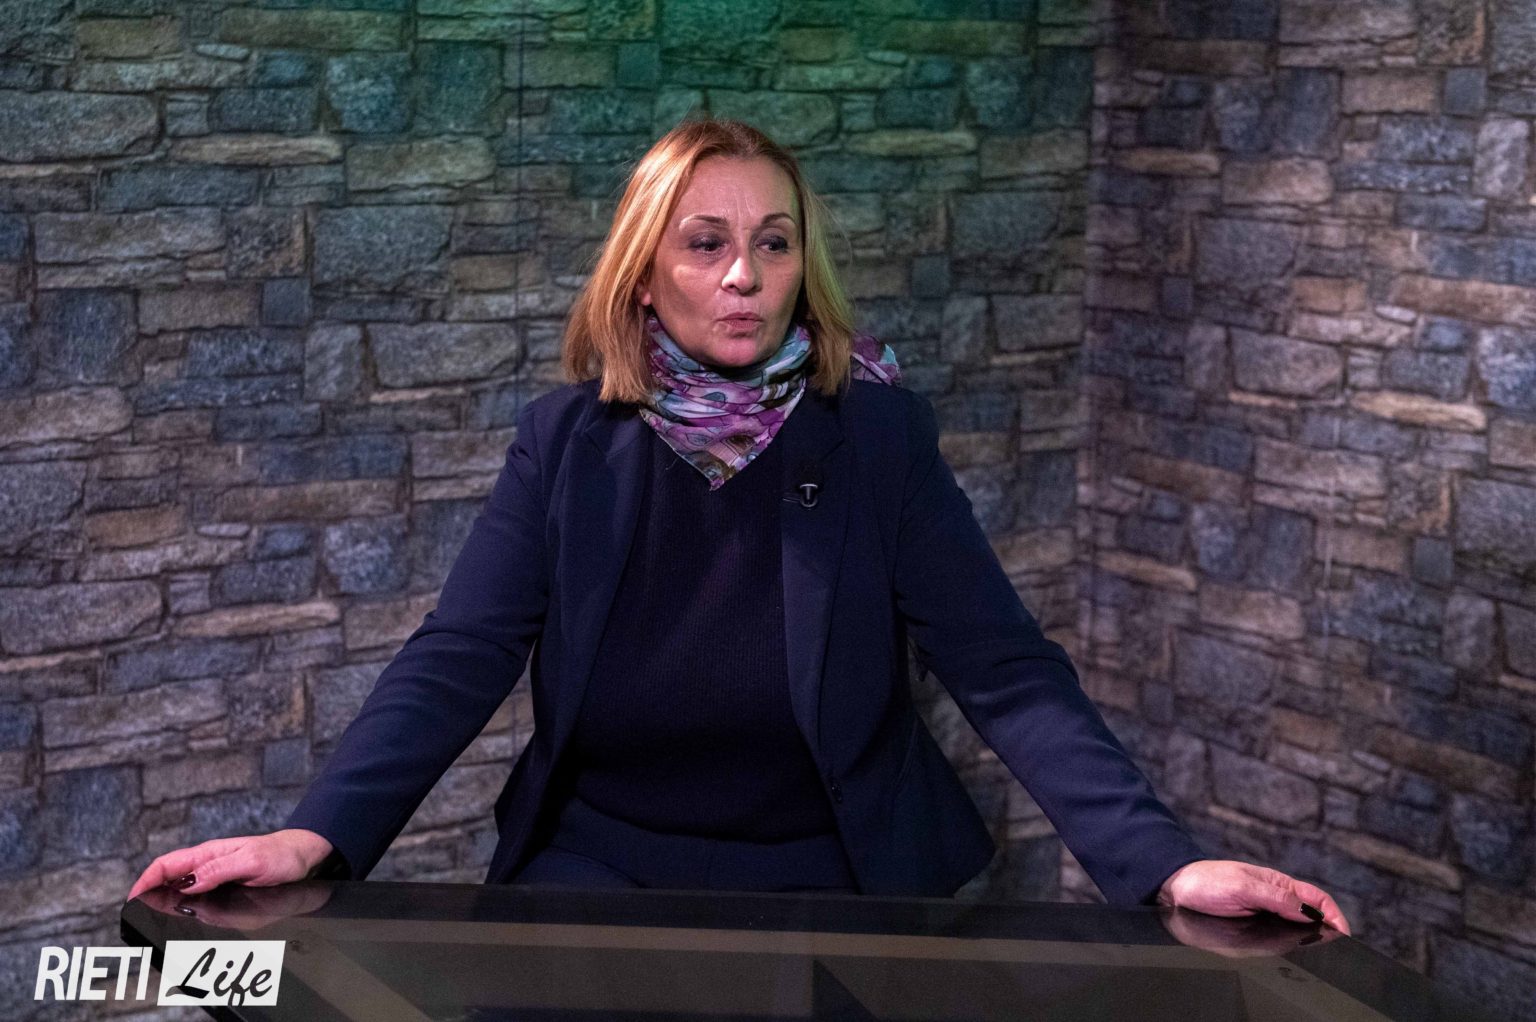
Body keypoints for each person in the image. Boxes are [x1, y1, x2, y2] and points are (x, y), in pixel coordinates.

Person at [129, 119, 1349, 933]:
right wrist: (316, 832)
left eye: (772, 244)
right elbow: (459, 654)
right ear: (643, 269)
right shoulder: (566, 441)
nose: (744, 277)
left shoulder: (878, 436)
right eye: (706, 245)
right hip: (600, 867)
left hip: (836, 874)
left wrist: (1163, 861)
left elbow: (1005, 668)